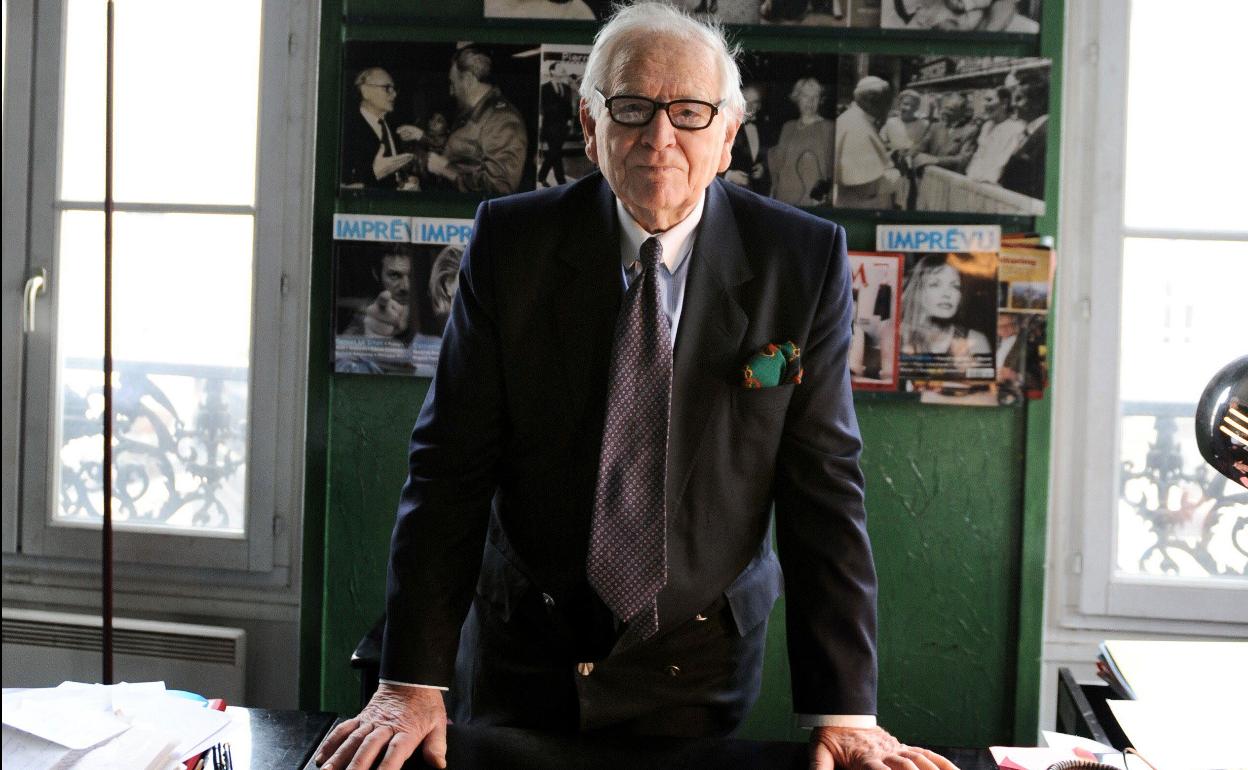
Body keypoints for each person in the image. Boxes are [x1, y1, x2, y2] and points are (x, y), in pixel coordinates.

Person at [314, 6, 959, 770]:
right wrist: (410, 682)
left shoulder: (801, 260)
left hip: (699, 657)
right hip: (526, 644)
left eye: (689, 113)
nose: (660, 137)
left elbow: (824, 492)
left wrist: (845, 712)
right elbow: (448, 469)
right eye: (631, 108)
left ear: (728, 135)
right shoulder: (511, 243)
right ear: (591, 128)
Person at [425, 46, 529, 195]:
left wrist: (445, 170)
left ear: (467, 80)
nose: (451, 91)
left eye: (453, 83)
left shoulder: (502, 119)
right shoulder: (474, 112)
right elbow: (466, 151)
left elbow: (499, 188)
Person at [899, 253, 992, 362]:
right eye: (935, 284)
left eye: (955, 286)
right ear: (917, 291)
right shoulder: (897, 335)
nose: (947, 294)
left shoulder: (976, 341)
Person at [341, 67, 416, 189]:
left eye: (394, 89)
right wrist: (375, 173)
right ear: (365, 91)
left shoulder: (395, 127)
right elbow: (344, 184)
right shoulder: (346, 129)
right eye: (387, 88)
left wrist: (408, 181)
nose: (394, 94)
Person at [833, 76, 900, 209]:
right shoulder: (857, 127)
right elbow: (865, 188)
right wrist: (897, 173)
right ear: (872, 101)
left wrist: (885, 158)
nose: (889, 108)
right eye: (887, 102)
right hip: (860, 209)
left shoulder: (853, 118)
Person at [767, 77, 835, 205]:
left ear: (820, 100)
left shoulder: (829, 127)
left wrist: (823, 195)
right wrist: (772, 194)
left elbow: (832, 170)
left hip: (811, 200)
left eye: (815, 97)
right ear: (797, 97)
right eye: (805, 96)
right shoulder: (788, 127)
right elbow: (778, 165)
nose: (810, 101)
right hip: (783, 197)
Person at [342, 247, 415, 340]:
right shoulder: (363, 321)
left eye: (411, 276)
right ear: (376, 274)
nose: (406, 286)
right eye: (395, 275)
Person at [998, 74, 1048, 200]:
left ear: (1038, 102)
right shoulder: (1030, 130)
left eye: (1019, 99)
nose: (1013, 104)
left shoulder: (1046, 134)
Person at [964, 86, 1025, 184]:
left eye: (989, 100)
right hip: (973, 182)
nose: (984, 104)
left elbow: (1001, 164)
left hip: (992, 186)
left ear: (1004, 103)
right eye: (984, 100)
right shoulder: (987, 126)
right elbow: (978, 157)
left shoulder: (1016, 128)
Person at [909, 92, 978, 175]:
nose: (944, 112)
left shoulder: (970, 131)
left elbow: (963, 159)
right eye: (944, 108)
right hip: (928, 176)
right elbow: (921, 146)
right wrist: (910, 154)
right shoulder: (935, 127)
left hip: (949, 178)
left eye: (950, 109)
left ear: (961, 112)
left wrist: (936, 160)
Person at [723, 83, 773, 194]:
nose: (749, 106)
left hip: (758, 193)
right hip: (730, 191)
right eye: (746, 101)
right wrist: (729, 175)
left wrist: (764, 167)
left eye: (754, 102)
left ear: (759, 105)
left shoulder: (766, 128)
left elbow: (771, 156)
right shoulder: (725, 126)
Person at [538, 61, 578, 186]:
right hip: (550, 126)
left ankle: (542, 176)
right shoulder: (544, 88)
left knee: (555, 152)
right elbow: (543, 107)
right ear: (552, 71)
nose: (562, 69)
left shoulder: (566, 88)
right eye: (559, 68)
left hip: (562, 126)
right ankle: (560, 180)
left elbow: (568, 107)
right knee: (556, 151)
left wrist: (569, 120)